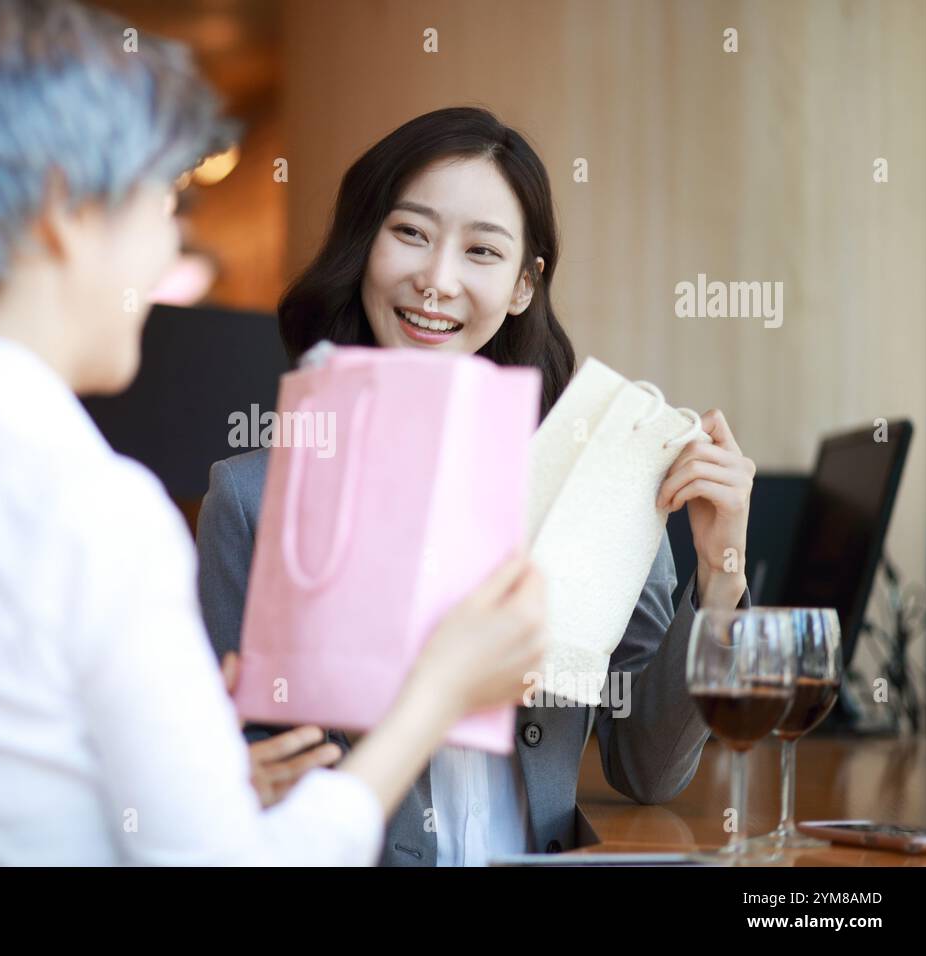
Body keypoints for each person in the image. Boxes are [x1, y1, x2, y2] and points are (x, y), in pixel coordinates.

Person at [0, 0, 547, 866]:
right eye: (160, 199)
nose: (170, 242)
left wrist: (201, 784)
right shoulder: (94, 512)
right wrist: (436, 698)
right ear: (64, 210)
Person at [196, 106, 755, 866]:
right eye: (411, 233)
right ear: (366, 246)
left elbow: (649, 769)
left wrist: (721, 575)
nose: (437, 280)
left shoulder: (600, 481)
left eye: (482, 250)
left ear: (525, 285)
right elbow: (237, 791)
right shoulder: (251, 500)